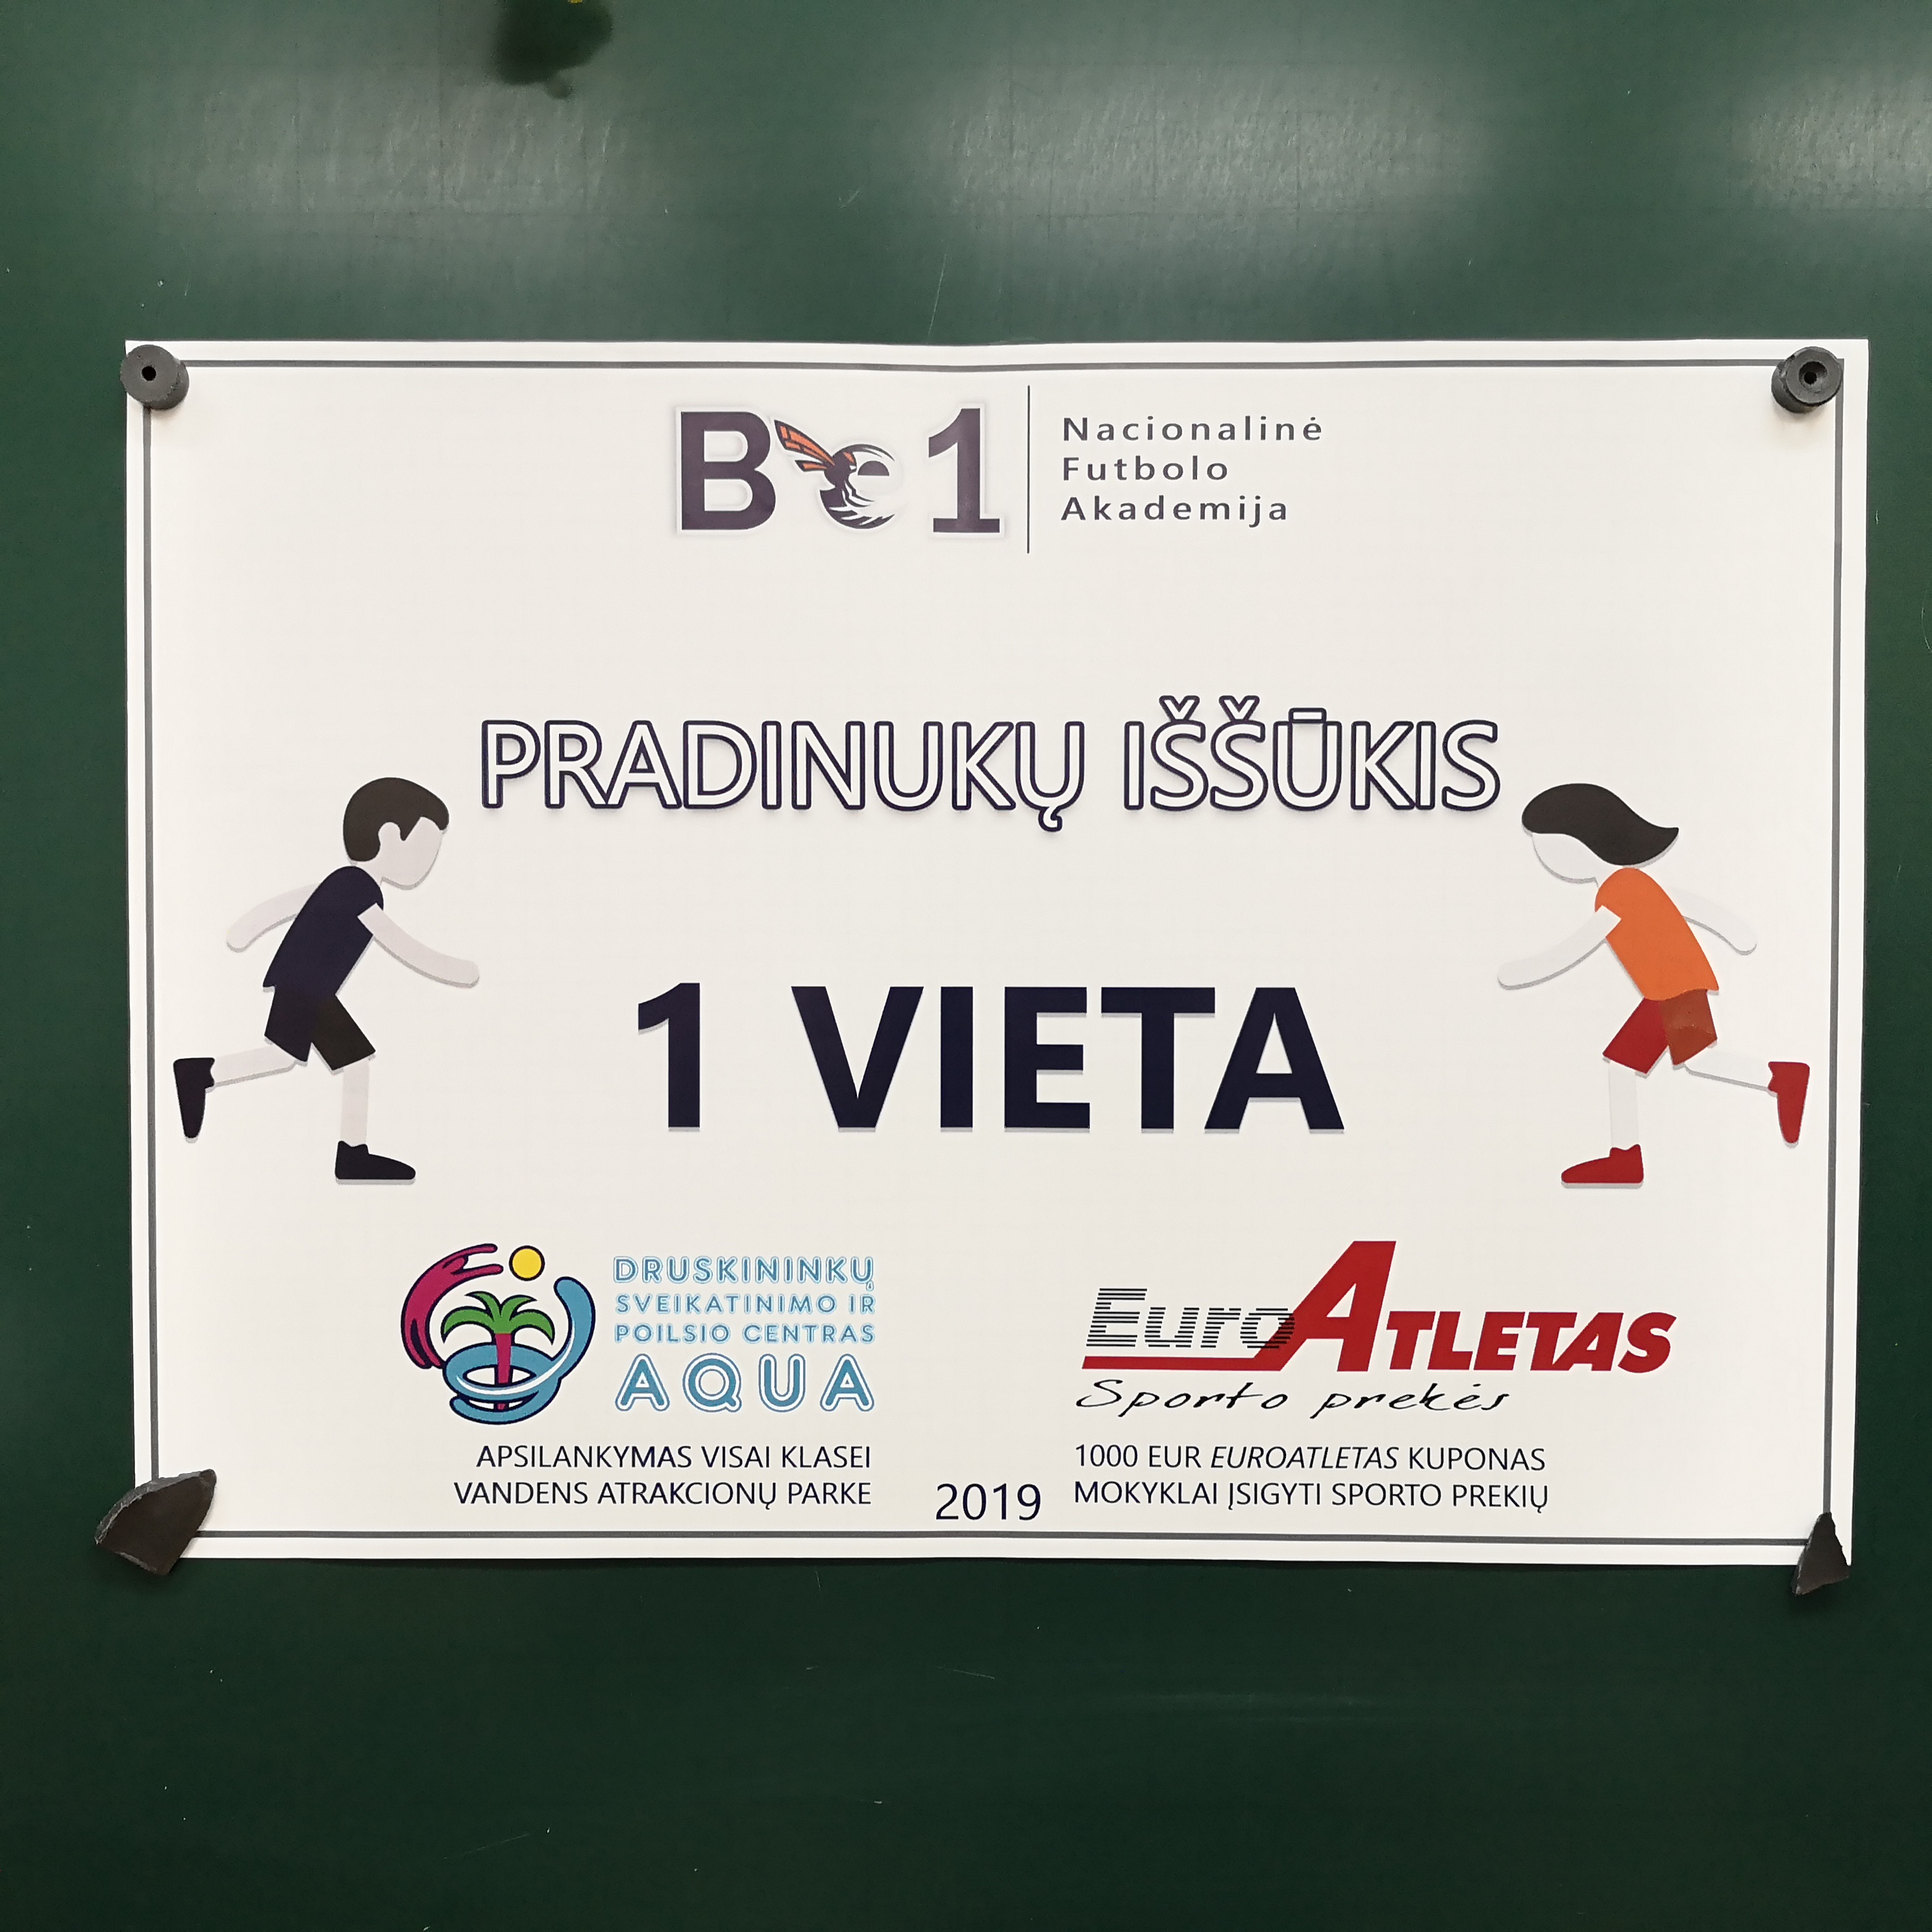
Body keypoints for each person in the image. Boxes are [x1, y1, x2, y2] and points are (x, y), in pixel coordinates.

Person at [1498, 782, 1807, 1186]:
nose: (1545, 853)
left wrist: (1524, 970)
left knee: (1662, 1064)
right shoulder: (1630, 884)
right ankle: (1629, 1157)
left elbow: (1578, 945)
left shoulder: (1619, 892)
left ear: (1584, 843)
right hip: (1669, 990)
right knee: (1645, 1065)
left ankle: (1781, 1078)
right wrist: (1736, 932)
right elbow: (1687, 904)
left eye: (1550, 844)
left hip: (1673, 990)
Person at [173, 778, 478, 1182]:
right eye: (424, 849)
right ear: (389, 836)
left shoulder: (347, 882)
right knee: (296, 1058)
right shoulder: (358, 891)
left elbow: (291, 903)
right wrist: (456, 969)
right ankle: (200, 1074)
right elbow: (401, 944)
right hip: (305, 988)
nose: (427, 862)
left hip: (310, 989)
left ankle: (350, 1154)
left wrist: (245, 931)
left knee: (343, 1061)